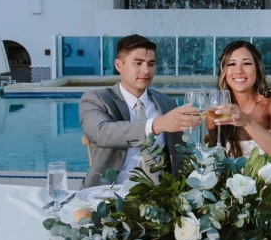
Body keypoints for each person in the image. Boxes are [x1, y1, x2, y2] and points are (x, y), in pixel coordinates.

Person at [79, 34, 202, 188]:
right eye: (138, 63)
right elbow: (102, 133)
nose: (146, 70)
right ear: (118, 65)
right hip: (109, 193)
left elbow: (179, 156)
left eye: (151, 64)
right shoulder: (96, 99)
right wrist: (156, 125)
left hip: (160, 194)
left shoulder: (166, 103)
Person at [207, 40, 271, 179]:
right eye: (231, 64)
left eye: (246, 63)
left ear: (257, 68)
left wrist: (247, 122)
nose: (239, 70)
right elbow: (217, 161)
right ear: (224, 71)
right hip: (239, 192)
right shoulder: (216, 113)